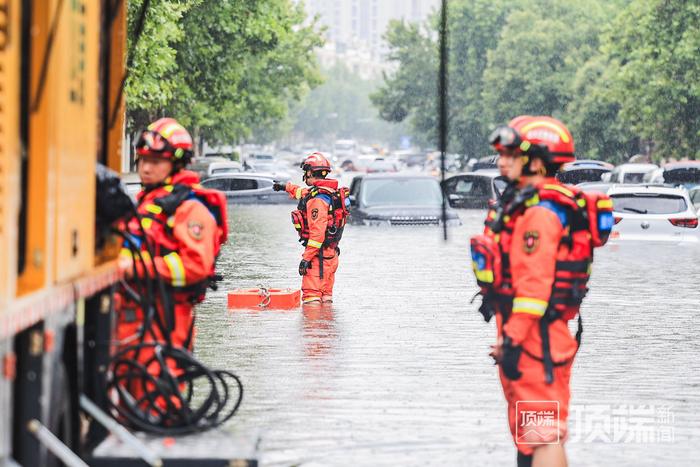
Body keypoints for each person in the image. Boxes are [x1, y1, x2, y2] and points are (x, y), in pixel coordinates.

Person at [470, 116, 613, 467]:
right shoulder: (530, 205)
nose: (501, 161)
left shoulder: (540, 214)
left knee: (543, 434)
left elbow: (535, 286)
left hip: (536, 338)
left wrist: (513, 339)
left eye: (510, 153)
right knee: (533, 434)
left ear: (535, 161)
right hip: (534, 336)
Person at [116, 118, 227, 389]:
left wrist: (133, 267)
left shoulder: (190, 209)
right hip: (133, 317)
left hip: (165, 322)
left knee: (157, 398)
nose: (145, 168)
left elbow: (194, 266)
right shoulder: (148, 202)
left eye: (155, 161)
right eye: (142, 160)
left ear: (176, 163)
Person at [273, 152, 349, 304]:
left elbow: (317, 235)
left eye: (305, 172)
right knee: (326, 301)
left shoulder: (317, 200)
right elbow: (301, 192)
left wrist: (305, 259)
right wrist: (285, 187)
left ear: (309, 172)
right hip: (331, 256)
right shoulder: (328, 192)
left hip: (318, 259)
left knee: (311, 302)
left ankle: (314, 328)